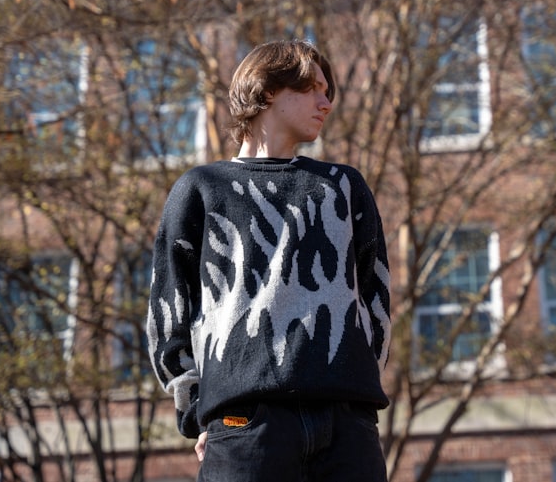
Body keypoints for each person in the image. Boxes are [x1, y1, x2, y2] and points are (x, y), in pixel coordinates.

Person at [146, 39, 391, 482]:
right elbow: (170, 314)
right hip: (245, 428)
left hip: (347, 430)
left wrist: (355, 400)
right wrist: (200, 410)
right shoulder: (202, 188)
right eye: (313, 88)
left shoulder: (344, 187)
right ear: (268, 90)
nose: (326, 102)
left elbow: (376, 301)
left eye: (328, 91)